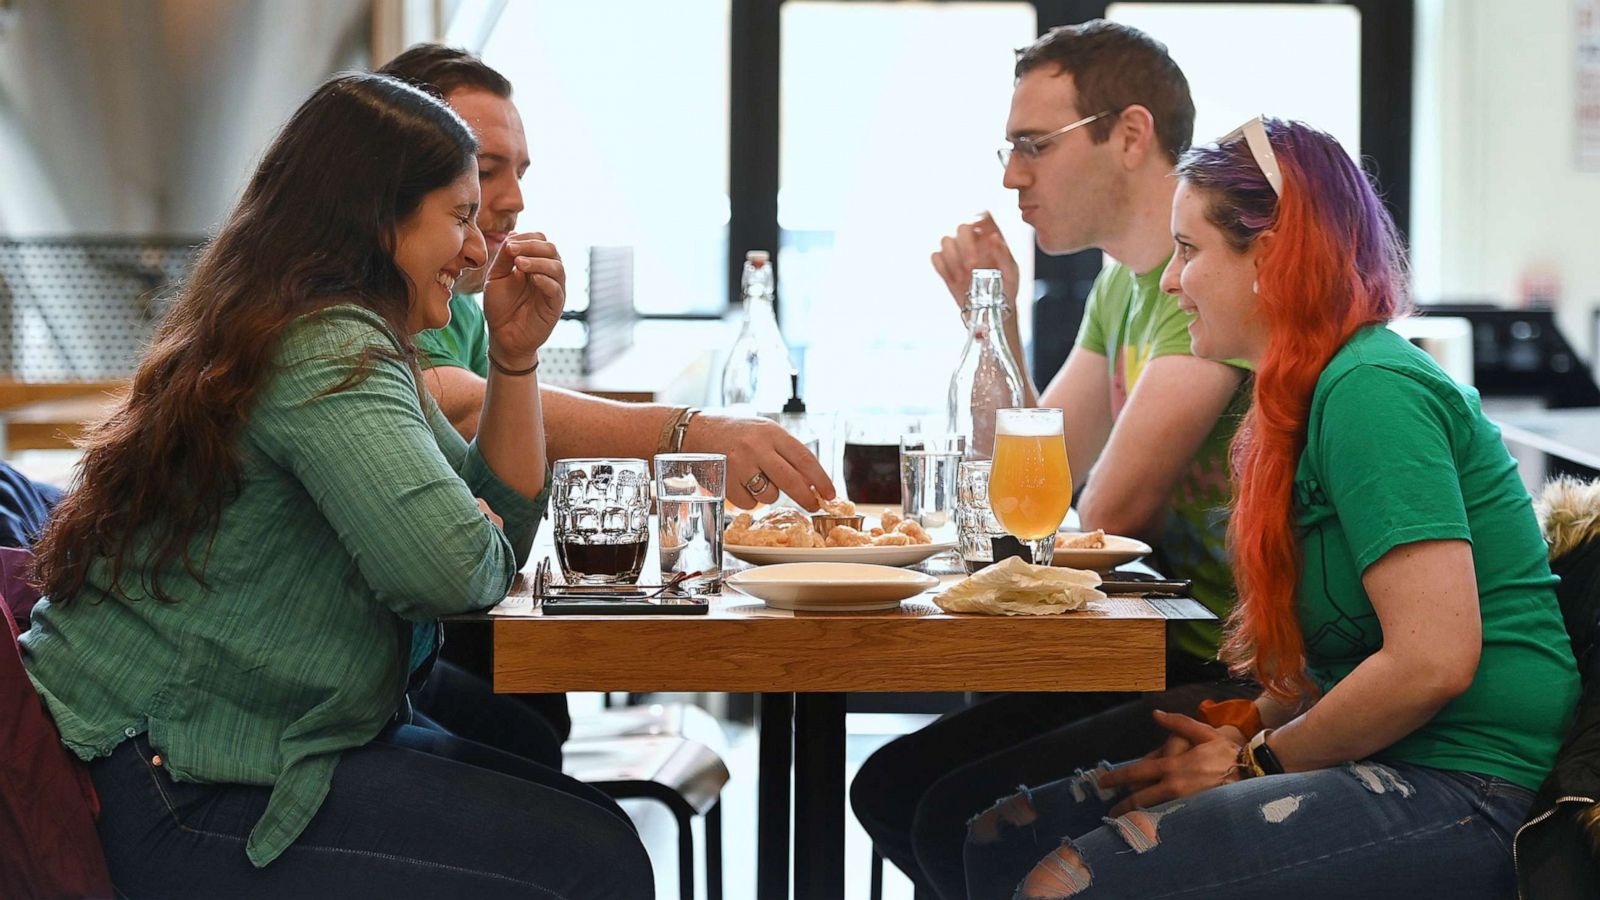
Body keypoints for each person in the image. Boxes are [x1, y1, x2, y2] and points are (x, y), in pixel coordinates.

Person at [20, 73, 653, 898]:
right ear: (379, 217)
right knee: (591, 861)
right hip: (175, 785)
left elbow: (496, 525)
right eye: (459, 216)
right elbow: (450, 571)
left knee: (591, 830)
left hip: (225, 749)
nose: (478, 249)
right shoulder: (325, 346)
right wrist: (474, 528)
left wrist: (514, 358)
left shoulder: (327, 328)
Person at [962, 116, 1580, 899]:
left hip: (1472, 787)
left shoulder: (1371, 390)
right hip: (1397, 756)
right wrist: (1249, 725)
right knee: (994, 843)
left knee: (1060, 883)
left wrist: (1257, 761)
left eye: (1190, 251)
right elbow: (1337, 647)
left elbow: (1432, 660)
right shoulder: (1298, 393)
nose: (1170, 280)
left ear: (1276, 257)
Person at [853, 22, 1254, 897]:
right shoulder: (1121, 283)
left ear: (1132, 135)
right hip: (1142, 644)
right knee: (889, 788)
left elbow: (1104, 511)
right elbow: (1026, 487)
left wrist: (997, 330)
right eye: (1009, 148)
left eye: (1034, 145)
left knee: (933, 809)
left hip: (1219, 670)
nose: (1010, 176)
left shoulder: (1207, 285)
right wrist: (988, 325)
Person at [377, 44, 835, 512]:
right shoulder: (389, 299)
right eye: (485, 171)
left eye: (519, 173)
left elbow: (497, 492)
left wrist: (517, 355)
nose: (515, 200)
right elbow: (460, 409)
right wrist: (686, 434)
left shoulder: (465, 306)